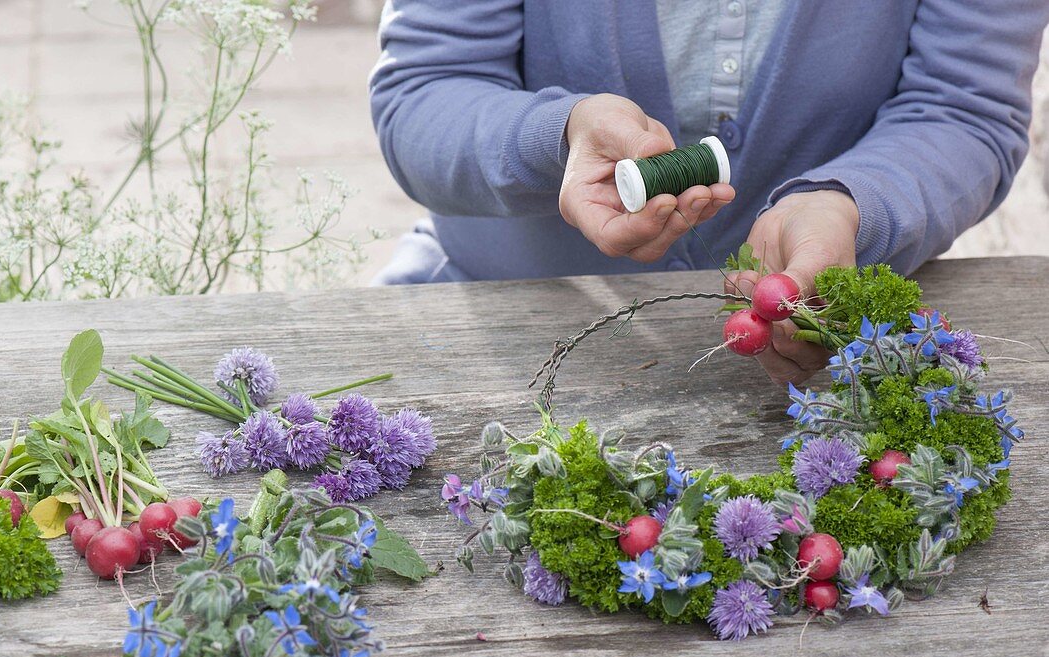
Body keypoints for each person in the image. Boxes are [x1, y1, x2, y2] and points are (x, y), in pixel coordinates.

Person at [368, 1, 1048, 383]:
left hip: (808, 376)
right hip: (493, 338)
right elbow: (424, 94)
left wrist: (846, 204)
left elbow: (964, 111)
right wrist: (557, 134)